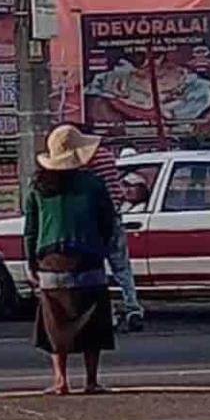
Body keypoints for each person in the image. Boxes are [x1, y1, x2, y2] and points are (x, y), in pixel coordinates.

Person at [25, 125, 118, 396]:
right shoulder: (93, 184)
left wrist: (31, 262)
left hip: (50, 262)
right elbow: (108, 222)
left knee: (56, 325)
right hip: (87, 259)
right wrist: (101, 249)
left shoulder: (38, 188)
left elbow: (31, 229)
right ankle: (91, 381)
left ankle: (60, 380)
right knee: (92, 322)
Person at [83, 133, 145, 332]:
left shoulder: (84, 162)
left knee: (96, 270)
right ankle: (133, 308)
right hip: (114, 216)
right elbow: (118, 191)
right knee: (122, 269)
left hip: (92, 221)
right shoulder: (108, 157)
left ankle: (107, 313)